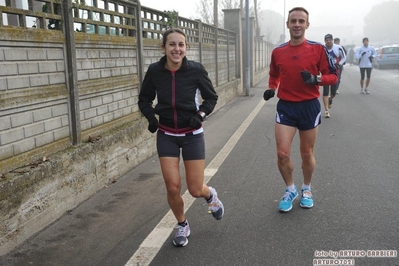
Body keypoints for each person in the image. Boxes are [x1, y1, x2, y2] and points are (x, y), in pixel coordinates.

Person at [138, 28, 224, 247]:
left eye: (181, 45)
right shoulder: (155, 71)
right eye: (172, 44)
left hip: (192, 135)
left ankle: (210, 196)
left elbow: (211, 98)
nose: (177, 49)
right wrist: (150, 118)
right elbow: (144, 99)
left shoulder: (195, 70)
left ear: (186, 47)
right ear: (164, 47)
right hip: (166, 134)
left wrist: (200, 115)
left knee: (195, 189)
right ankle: (182, 224)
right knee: (173, 187)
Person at [263, 7, 337, 212]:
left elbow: (332, 76)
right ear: (287, 24)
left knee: (306, 153)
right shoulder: (278, 51)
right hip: (286, 106)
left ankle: (306, 188)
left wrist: (316, 79)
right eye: (293, 21)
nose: (297, 24)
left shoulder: (318, 49)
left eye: (301, 21)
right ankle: (290, 189)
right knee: (282, 153)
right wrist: (271, 88)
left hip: (309, 106)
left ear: (307, 25)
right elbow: (274, 74)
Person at [322, 34, 346, 118]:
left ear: (332, 40)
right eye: (326, 40)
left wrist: (339, 64)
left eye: (330, 40)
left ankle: (330, 98)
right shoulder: (322, 49)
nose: (328, 41)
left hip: (334, 72)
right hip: (325, 72)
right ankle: (326, 110)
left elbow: (344, 57)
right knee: (325, 91)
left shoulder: (338, 48)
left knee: (333, 92)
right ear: (325, 41)